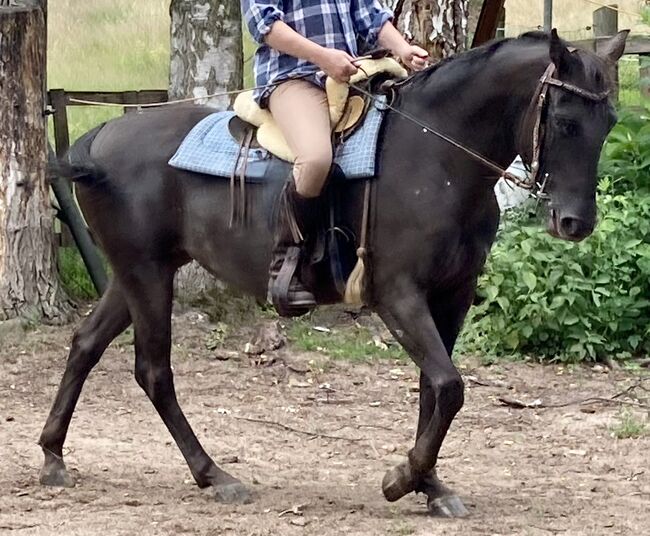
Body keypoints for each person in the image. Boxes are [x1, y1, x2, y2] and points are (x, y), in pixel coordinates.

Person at [242, 0, 429, 315]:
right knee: (315, 159)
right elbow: (264, 24)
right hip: (295, 79)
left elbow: (370, 16)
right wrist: (323, 57)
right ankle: (285, 264)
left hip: (352, 80)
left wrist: (404, 49)